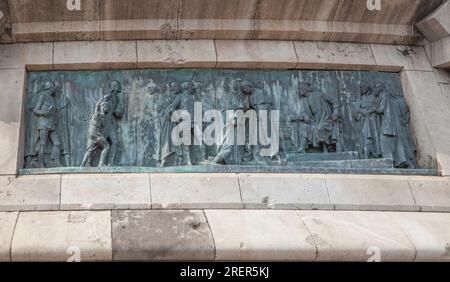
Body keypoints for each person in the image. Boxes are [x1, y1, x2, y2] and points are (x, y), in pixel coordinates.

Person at [374, 83, 410, 168]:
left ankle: (389, 162)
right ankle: (400, 160)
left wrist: (374, 108)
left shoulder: (384, 97)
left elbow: (380, 110)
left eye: (376, 88)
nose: (374, 91)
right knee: (397, 144)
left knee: (385, 143)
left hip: (388, 125)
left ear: (381, 89)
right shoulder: (392, 98)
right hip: (396, 125)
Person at [33, 80, 62, 167]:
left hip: (51, 125)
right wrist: (44, 113)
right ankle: (40, 164)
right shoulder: (43, 96)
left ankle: (55, 162)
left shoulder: (51, 97)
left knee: (57, 143)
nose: (54, 89)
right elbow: (36, 110)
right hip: (43, 124)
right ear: (49, 87)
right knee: (43, 144)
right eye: (53, 87)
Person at [355, 83, 381, 159]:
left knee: (376, 135)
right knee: (366, 136)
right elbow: (356, 109)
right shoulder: (361, 98)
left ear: (367, 87)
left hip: (375, 120)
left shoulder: (374, 97)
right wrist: (362, 111)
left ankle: (377, 152)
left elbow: (378, 107)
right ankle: (366, 154)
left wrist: (372, 110)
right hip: (364, 120)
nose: (361, 89)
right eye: (360, 88)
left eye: (363, 87)